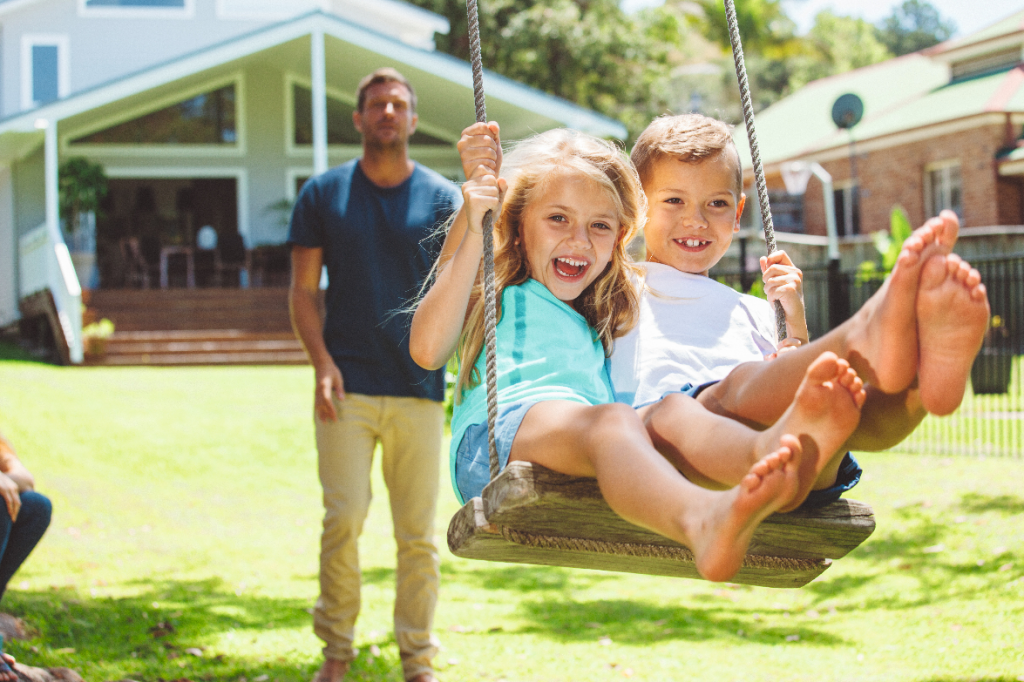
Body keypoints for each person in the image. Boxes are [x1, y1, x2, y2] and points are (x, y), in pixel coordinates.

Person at [410, 122, 868, 583]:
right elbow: (428, 350)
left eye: (600, 226)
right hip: (496, 443)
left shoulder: (599, 301)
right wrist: (475, 214)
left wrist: (794, 330)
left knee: (672, 411)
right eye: (557, 218)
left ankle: (767, 455)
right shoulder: (502, 286)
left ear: (618, 237)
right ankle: (701, 520)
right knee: (615, 421)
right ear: (515, 224)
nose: (579, 240)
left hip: (586, 444)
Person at [611, 113, 990, 509]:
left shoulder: (756, 310)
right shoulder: (615, 287)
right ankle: (859, 336)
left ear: (738, 214)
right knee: (735, 390)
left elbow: (790, 381)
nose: (696, 219)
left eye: (717, 203)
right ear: (635, 206)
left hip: (789, 465)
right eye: (674, 200)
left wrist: (794, 327)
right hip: (678, 450)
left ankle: (919, 385)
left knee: (846, 405)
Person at [288, 68, 461, 682]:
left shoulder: (445, 199)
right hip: (347, 388)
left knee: (417, 536)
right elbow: (303, 291)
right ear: (359, 118)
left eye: (398, 104)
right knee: (343, 521)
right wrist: (321, 365)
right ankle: (337, 651)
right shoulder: (324, 194)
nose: (388, 112)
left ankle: (417, 660)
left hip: (419, 388)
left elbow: (459, 289)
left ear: (412, 119)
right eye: (377, 104)